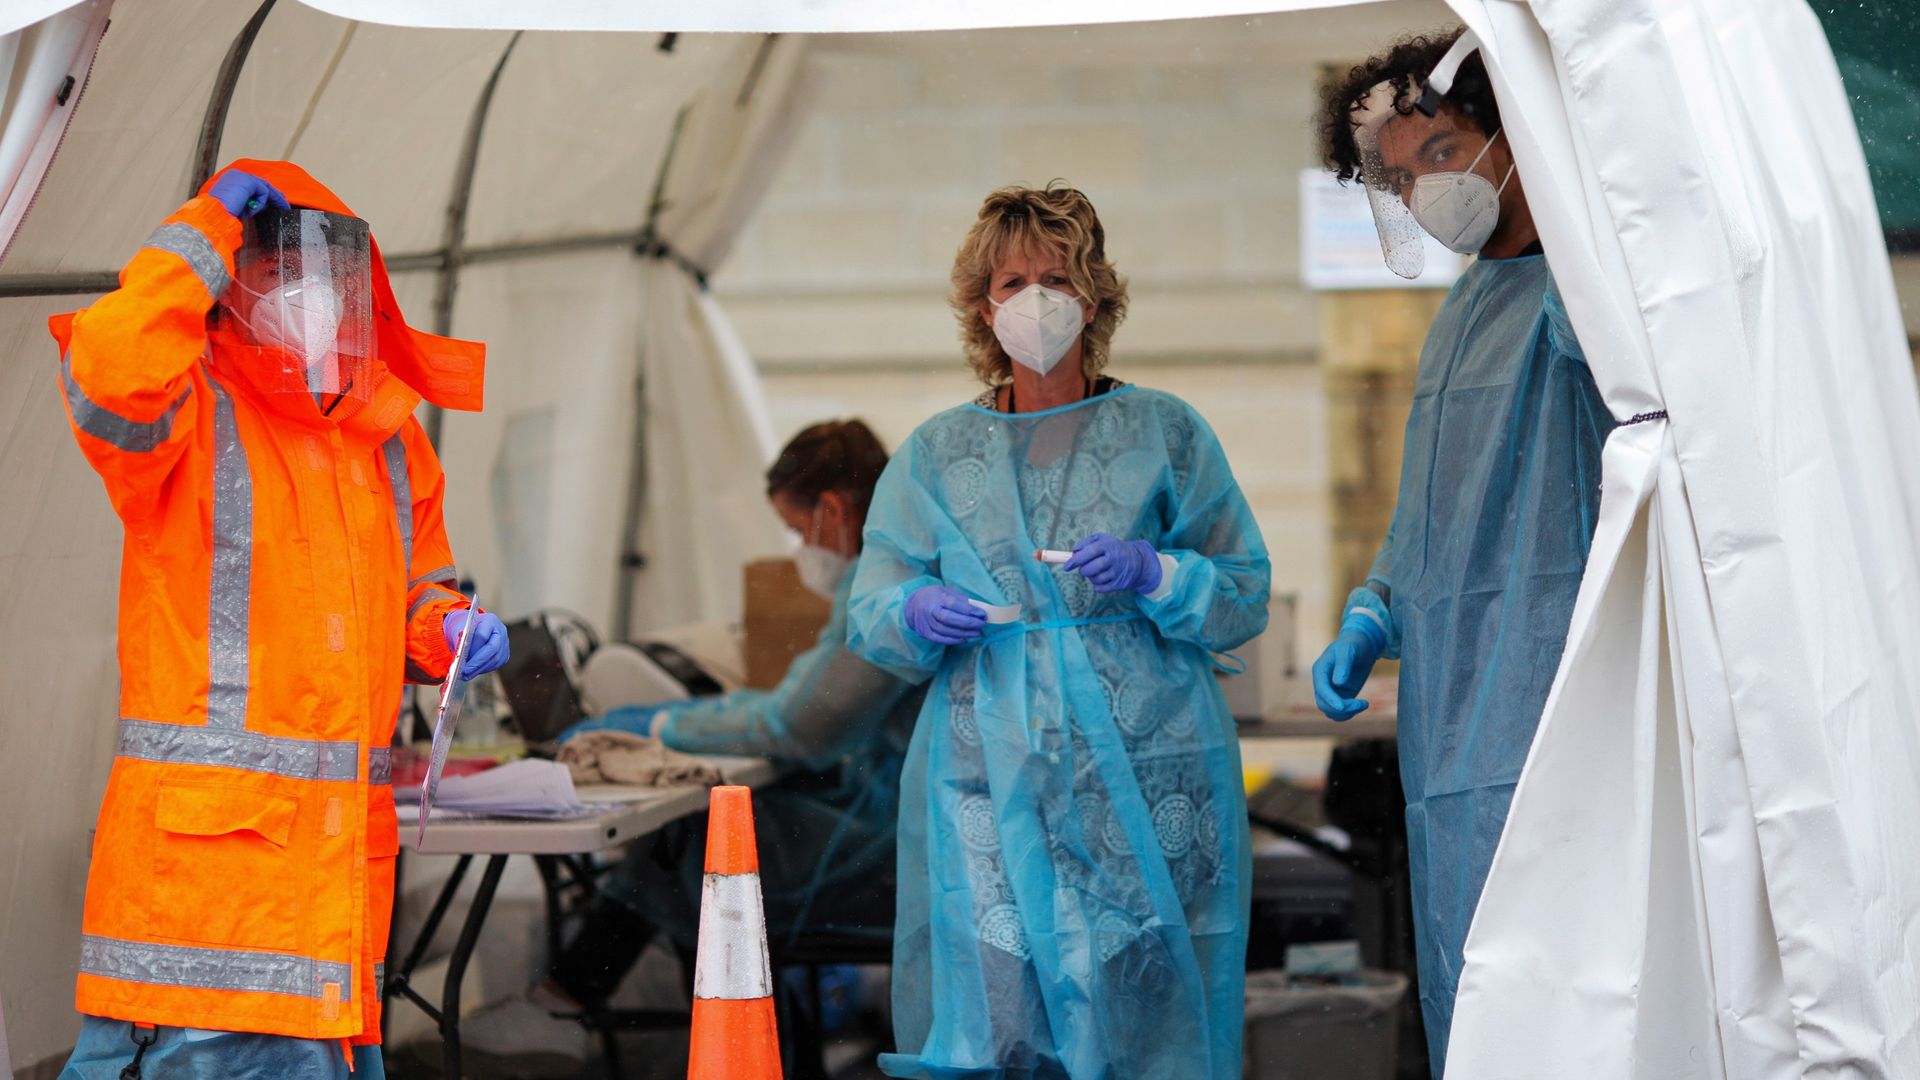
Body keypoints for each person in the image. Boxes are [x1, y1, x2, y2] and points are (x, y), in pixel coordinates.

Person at [50, 161, 508, 1079]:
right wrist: (200, 234)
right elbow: (110, 371)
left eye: (326, 272)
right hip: (201, 903)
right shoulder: (191, 407)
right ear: (230, 283)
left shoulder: (385, 435)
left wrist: (445, 630)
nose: (307, 293)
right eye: (275, 267)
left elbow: (416, 587)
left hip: (328, 904)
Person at [846, 183, 1271, 1080]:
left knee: (1144, 1009)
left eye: (1055, 276)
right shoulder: (934, 455)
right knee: (999, 1011)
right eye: (1010, 281)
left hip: (1147, 771)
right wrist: (914, 610)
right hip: (986, 776)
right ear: (980, 303)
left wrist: (1158, 572)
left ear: (1094, 294)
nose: (1033, 300)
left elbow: (1241, 590)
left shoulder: (1165, 433)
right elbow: (873, 604)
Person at [1308, 29, 1617, 1074]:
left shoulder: (1591, 299)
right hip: (1455, 732)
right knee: (1476, 979)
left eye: (1438, 152)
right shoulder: (1459, 315)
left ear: (1511, 131)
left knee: (1575, 983)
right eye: (1399, 177)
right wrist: (1376, 604)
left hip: (1566, 707)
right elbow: (1431, 512)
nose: (1424, 188)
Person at [463, 419, 925, 1075]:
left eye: (799, 531)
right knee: (703, 830)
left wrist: (655, 726)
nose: (801, 549)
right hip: (887, 813)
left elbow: (798, 726)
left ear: (832, 509)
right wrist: (670, 717)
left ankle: (575, 1008)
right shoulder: (881, 576)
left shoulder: (881, 587)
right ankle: (571, 1005)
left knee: (691, 835)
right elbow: (796, 708)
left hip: (889, 843)